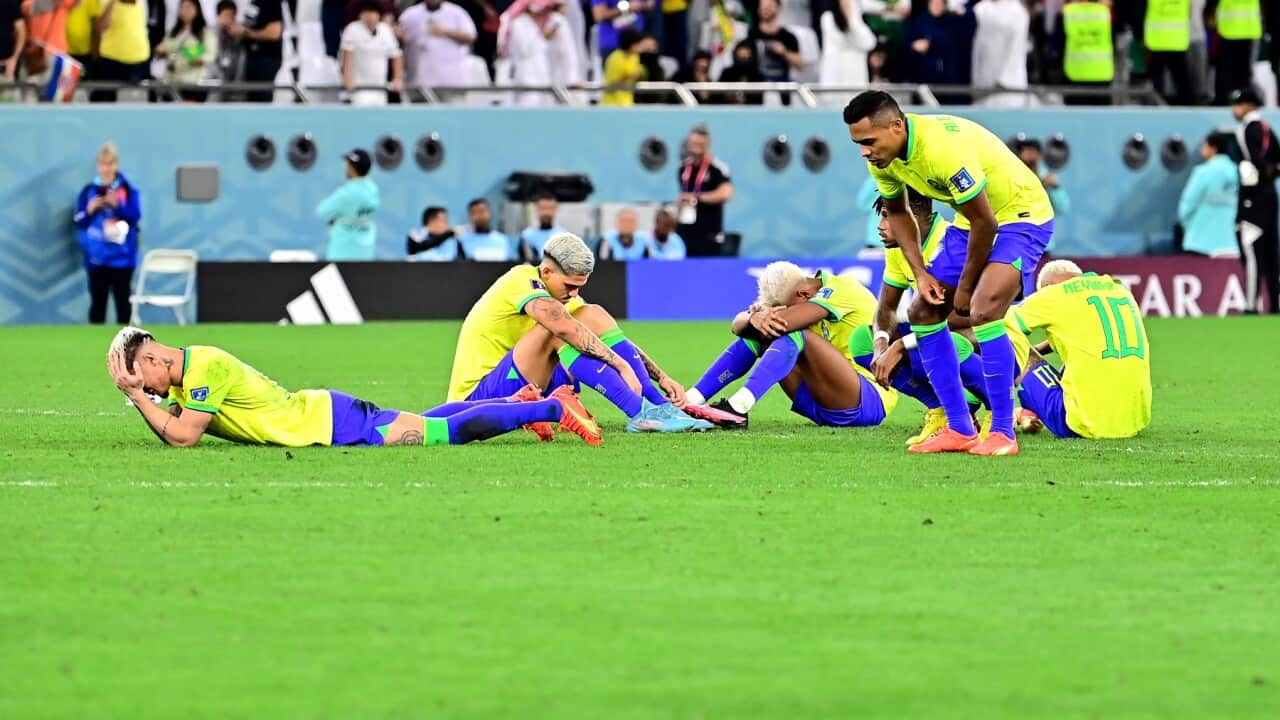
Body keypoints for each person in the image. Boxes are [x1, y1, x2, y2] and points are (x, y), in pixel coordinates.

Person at [845, 90, 1054, 456]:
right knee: (923, 311)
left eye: (869, 141)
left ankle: (1003, 433)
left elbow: (986, 223)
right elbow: (897, 213)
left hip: (1021, 216)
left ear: (897, 126)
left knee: (984, 308)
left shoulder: (942, 150)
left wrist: (965, 288)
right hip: (970, 221)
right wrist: (921, 273)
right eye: (858, 143)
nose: (864, 150)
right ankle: (959, 427)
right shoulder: (882, 160)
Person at [105, 326, 604, 448]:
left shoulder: (205, 368)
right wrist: (143, 397)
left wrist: (133, 398)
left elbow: (184, 436)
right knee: (430, 422)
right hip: (324, 414)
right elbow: (173, 422)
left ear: (150, 358)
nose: (143, 388)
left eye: (138, 375)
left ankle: (553, 407)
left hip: (330, 423)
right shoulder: (186, 378)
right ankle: (517, 403)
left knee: (440, 437)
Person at [446, 232, 712, 432]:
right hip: (475, 402)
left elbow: (605, 338)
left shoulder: (564, 299)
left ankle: (658, 407)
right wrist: (620, 365)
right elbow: (563, 328)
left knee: (590, 314)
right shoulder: (521, 278)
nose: (574, 293)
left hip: (522, 387)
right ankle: (638, 413)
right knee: (559, 330)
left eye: (579, 286)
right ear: (547, 271)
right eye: (570, 285)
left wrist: (661, 376)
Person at [682, 261, 898, 430]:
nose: (777, 313)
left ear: (803, 294)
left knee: (792, 333)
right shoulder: (802, 298)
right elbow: (738, 326)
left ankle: (738, 407)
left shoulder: (843, 287)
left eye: (782, 308)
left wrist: (756, 318)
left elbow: (783, 323)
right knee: (761, 336)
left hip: (867, 400)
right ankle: (687, 402)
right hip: (821, 399)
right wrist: (750, 319)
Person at [860, 189, 991, 446]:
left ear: (914, 215)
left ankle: (997, 410)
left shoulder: (949, 244)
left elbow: (960, 317)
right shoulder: (898, 249)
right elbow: (886, 308)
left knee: (950, 342)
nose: (880, 226)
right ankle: (943, 410)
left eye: (888, 217)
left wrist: (900, 345)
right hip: (940, 332)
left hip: (984, 335)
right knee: (861, 342)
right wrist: (881, 345)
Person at [1005, 260, 1152, 439]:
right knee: (1076, 357)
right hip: (1133, 421)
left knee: (1007, 343)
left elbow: (999, 323)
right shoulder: (1119, 290)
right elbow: (1090, 336)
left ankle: (994, 415)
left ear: (1048, 286)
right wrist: (1039, 349)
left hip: (1080, 423)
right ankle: (1029, 412)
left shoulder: (1054, 294)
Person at [73, 142, 140, 325]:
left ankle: (125, 347)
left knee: (122, 304)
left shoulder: (127, 189)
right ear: (98, 166)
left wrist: (117, 206)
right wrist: (90, 209)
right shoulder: (89, 191)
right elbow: (79, 220)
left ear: (116, 165)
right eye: (103, 164)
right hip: (96, 258)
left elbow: (135, 216)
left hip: (123, 258)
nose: (106, 168)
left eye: (110, 164)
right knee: (97, 304)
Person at [1230, 87, 1280, 314]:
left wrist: (1261, 175)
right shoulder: (1268, 128)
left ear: (1249, 105)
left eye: (1238, 104)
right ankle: (1274, 306)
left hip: (1252, 200)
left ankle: (1251, 305)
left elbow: (1250, 164)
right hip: (1270, 197)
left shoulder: (1245, 130)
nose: (1235, 109)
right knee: (1270, 254)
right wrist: (1271, 173)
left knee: (1251, 252)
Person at [1177, 132, 1240, 258]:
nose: (1202, 149)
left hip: (1200, 243)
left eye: (1204, 145)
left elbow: (1188, 203)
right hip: (1233, 244)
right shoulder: (1237, 171)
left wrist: (1187, 226)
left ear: (1213, 148)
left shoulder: (1203, 172)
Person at [675, 124, 734, 257]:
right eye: (694, 143)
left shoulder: (718, 168)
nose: (697, 146)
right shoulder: (683, 168)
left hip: (708, 234)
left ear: (707, 144)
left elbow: (726, 193)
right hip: (685, 232)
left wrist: (697, 197)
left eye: (701, 144)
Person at [316, 149, 380, 261]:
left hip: (342, 254)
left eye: (348, 164)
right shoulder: (373, 190)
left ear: (351, 168)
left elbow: (321, 211)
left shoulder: (347, 193)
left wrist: (335, 220)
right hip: (366, 254)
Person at [399, 0, 476, 92]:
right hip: (419, 81)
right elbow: (398, 44)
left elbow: (470, 37)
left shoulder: (457, 12)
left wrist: (446, 32)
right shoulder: (410, 14)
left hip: (452, 82)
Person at [340, 0, 403, 106]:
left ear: (379, 15)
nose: (369, 17)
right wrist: (347, 78)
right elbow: (347, 55)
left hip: (380, 88)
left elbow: (396, 55)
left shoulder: (385, 30)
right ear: (360, 15)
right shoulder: (352, 30)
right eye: (366, 13)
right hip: (359, 88)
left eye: (373, 13)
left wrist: (397, 78)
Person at [1014, 137, 1071, 249]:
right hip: (1019, 242)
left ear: (1039, 154)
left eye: (1031, 150)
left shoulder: (1048, 179)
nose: (1028, 153)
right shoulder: (1014, 178)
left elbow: (1062, 209)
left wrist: (1055, 188)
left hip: (1043, 244)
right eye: (1024, 150)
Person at [90, 0, 152, 102]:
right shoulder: (106, 2)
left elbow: (144, 26)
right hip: (113, 61)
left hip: (139, 61)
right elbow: (101, 27)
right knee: (107, 99)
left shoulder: (142, 2)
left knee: (140, 100)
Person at [157, 0, 217, 102]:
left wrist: (194, 55)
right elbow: (165, 48)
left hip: (193, 83)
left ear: (197, 10)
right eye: (182, 8)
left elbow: (209, 55)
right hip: (171, 82)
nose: (185, 11)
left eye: (189, 7)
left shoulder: (205, 33)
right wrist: (161, 51)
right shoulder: (173, 32)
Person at [228, 0, 284, 102]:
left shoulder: (270, 2)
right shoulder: (253, 3)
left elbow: (275, 32)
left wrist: (245, 32)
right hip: (249, 61)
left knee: (261, 99)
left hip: (265, 60)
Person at [747, 0, 801, 103]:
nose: (765, 9)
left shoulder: (788, 36)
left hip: (782, 87)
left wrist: (784, 52)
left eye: (769, 6)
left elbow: (800, 63)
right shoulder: (751, 34)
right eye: (762, 7)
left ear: (778, 8)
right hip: (757, 87)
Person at [1142, 0, 1192, 106]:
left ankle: (1156, 108)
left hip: (1156, 41)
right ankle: (1186, 109)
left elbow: (1139, 11)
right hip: (1177, 41)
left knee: (1156, 84)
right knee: (1182, 82)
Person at [818, 0, 875, 94]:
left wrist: (851, 19)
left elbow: (869, 43)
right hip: (835, 81)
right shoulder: (828, 18)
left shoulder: (858, 19)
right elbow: (842, 42)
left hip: (856, 81)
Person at [1213, 0, 1262, 106]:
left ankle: (1234, 102)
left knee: (1229, 73)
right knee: (1241, 74)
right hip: (1244, 29)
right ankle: (1242, 103)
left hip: (1232, 29)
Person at [601, 28, 653, 106]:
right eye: (638, 43)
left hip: (628, 102)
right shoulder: (615, 57)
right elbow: (612, 83)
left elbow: (638, 76)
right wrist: (630, 75)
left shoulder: (635, 57)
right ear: (632, 44)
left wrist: (639, 74)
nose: (641, 46)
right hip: (612, 104)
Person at [517, 193, 566, 262]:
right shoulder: (527, 236)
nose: (546, 212)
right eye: (543, 208)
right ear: (536, 209)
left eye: (550, 208)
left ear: (556, 209)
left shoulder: (563, 235)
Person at [714, 40, 764, 106]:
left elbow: (759, 101)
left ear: (752, 55)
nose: (743, 57)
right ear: (735, 54)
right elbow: (717, 96)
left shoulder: (757, 76)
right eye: (740, 55)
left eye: (746, 55)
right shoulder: (727, 73)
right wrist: (732, 99)